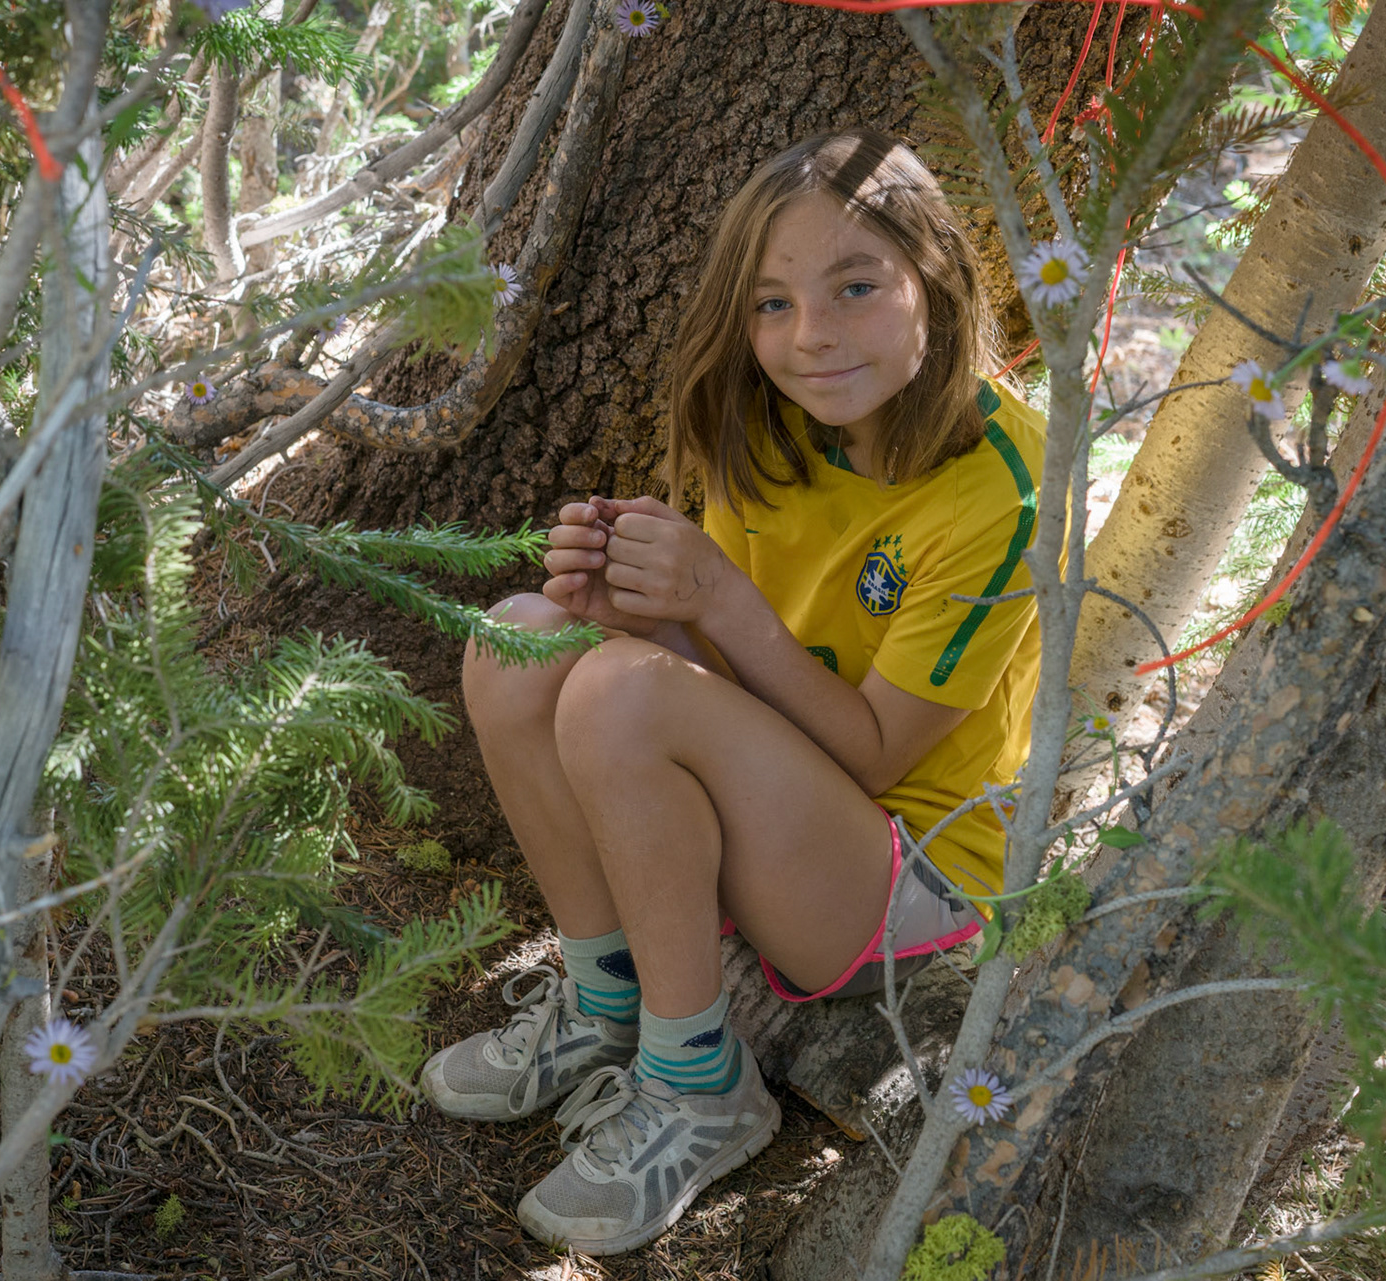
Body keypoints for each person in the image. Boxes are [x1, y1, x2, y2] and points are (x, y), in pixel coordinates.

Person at [421, 128, 1048, 1257]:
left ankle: (698, 1081)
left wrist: (710, 602)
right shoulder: (772, 427)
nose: (811, 336)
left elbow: (873, 758)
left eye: (856, 287)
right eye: (771, 304)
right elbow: (717, 674)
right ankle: (606, 997)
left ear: (939, 284)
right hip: (792, 804)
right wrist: (640, 606)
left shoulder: (1000, 491)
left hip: (909, 877)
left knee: (619, 695)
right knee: (519, 641)